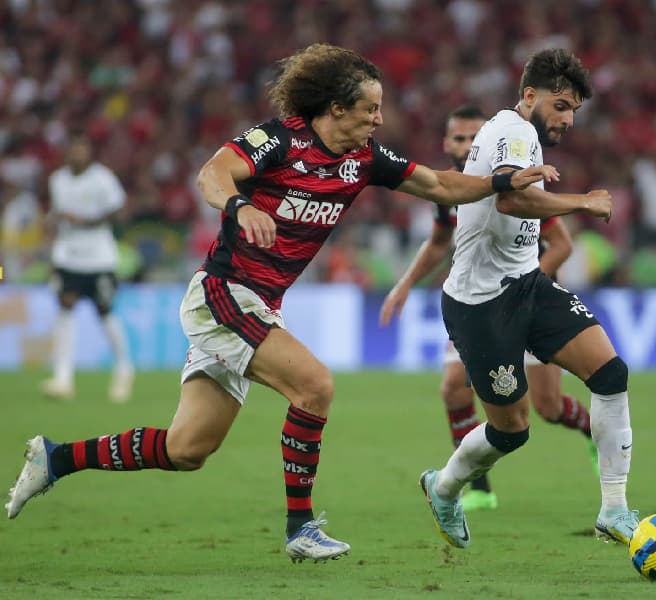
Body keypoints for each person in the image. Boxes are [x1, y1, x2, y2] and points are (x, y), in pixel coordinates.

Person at [6, 43, 555, 563]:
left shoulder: (365, 158)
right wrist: (240, 206)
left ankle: (55, 458)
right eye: (370, 108)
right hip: (223, 294)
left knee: (187, 449)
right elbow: (212, 174)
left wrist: (502, 180)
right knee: (315, 386)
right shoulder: (280, 140)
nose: (379, 119)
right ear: (337, 108)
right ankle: (300, 528)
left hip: (259, 304)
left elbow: (440, 185)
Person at [417, 48, 639, 550]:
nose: (567, 119)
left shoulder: (525, 136)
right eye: (560, 106)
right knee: (511, 430)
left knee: (610, 374)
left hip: (527, 284)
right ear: (530, 96)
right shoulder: (513, 131)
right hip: (480, 305)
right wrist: (583, 202)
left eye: (573, 111)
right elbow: (510, 198)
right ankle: (443, 487)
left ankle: (614, 509)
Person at [380, 105, 596, 513]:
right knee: (452, 388)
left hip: (529, 300)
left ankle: (591, 432)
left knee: (548, 407)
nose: (465, 145)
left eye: (471, 138)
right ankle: (478, 487)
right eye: (458, 138)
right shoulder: (448, 190)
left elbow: (562, 245)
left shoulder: (513, 184)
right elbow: (440, 242)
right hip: (478, 304)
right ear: (447, 143)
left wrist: (524, 291)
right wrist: (406, 283)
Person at [42, 132, 134, 403]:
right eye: (73, 149)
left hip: (99, 257)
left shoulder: (102, 179)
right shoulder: (57, 180)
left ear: (89, 152)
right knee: (65, 309)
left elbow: (119, 212)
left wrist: (85, 220)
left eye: (81, 149)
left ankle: (124, 368)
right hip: (68, 256)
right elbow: (57, 216)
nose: (77, 154)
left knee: (104, 311)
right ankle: (63, 378)